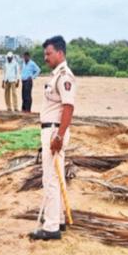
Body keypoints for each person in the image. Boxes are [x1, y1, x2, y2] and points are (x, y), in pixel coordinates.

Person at [29, 36, 76, 241]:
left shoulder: (64, 76)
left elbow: (68, 107)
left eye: (49, 53)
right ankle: (58, 219)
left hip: (55, 132)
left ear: (60, 53)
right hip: (52, 130)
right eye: (45, 54)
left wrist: (59, 135)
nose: (45, 57)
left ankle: (51, 227)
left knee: (50, 179)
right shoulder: (56, 75)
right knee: (57, 177)